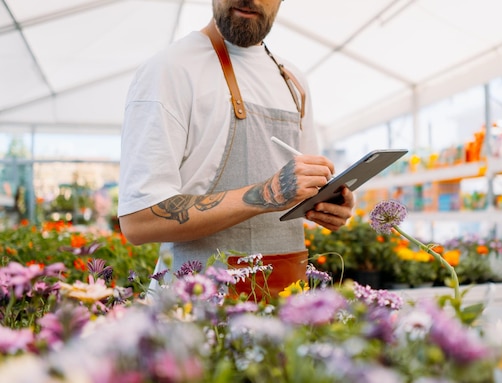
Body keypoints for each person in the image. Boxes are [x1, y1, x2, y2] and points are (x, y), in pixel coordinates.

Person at [117, 0, 354, 296]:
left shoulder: (293, 82)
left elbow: (296, 191)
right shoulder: (170, 70)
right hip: (196, 314)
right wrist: (266, 194)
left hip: (284, 304)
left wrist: (324, 204)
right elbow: (138, 222)